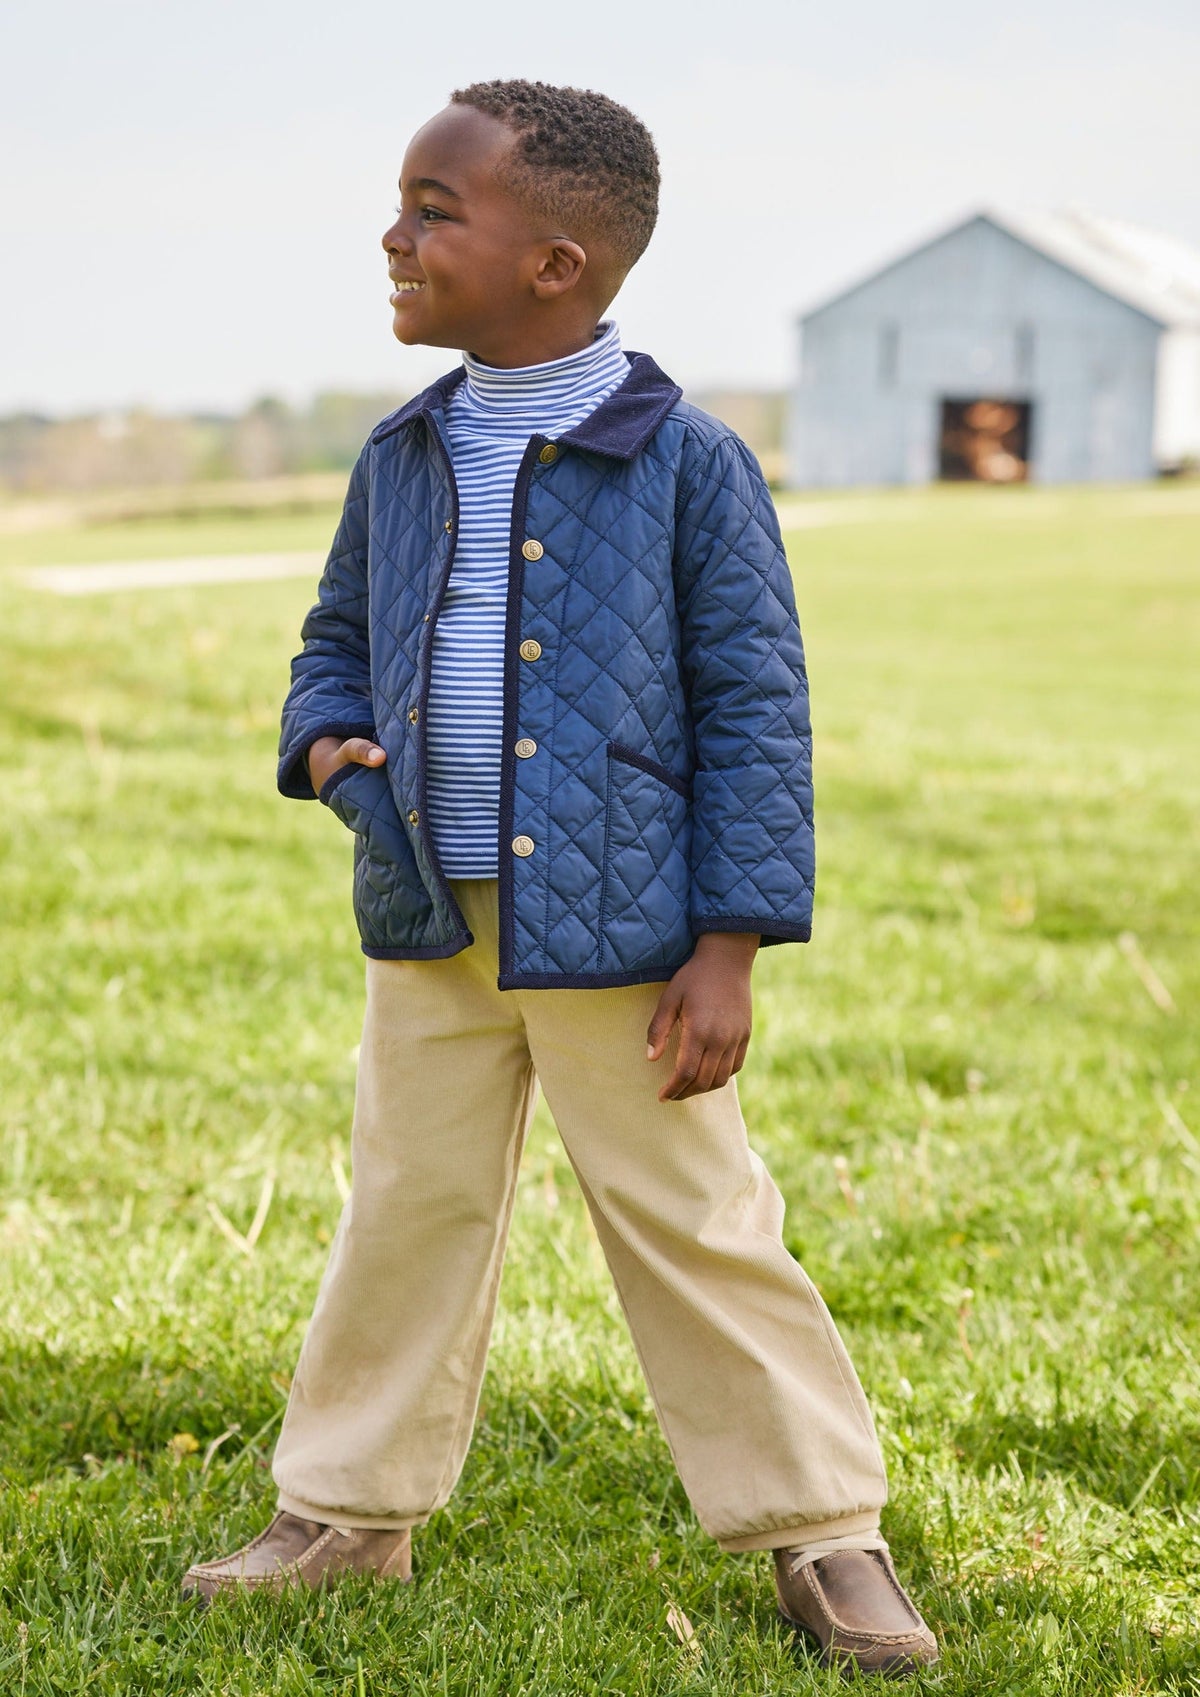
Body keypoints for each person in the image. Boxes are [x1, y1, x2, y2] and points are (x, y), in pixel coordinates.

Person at [182, 79, 938, 1678]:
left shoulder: (689, 463)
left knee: (696, 1217)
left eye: (434, 210)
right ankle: (346, 1511)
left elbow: (756, 707)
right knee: (407, 1203)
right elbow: (333, 643)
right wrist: (328, 749)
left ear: (559, 262)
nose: (395, 236)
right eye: (403, 204)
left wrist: (731, 941)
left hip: (624, 934)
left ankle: (821, 1529)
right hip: (426, 914)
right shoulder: (401, 449)